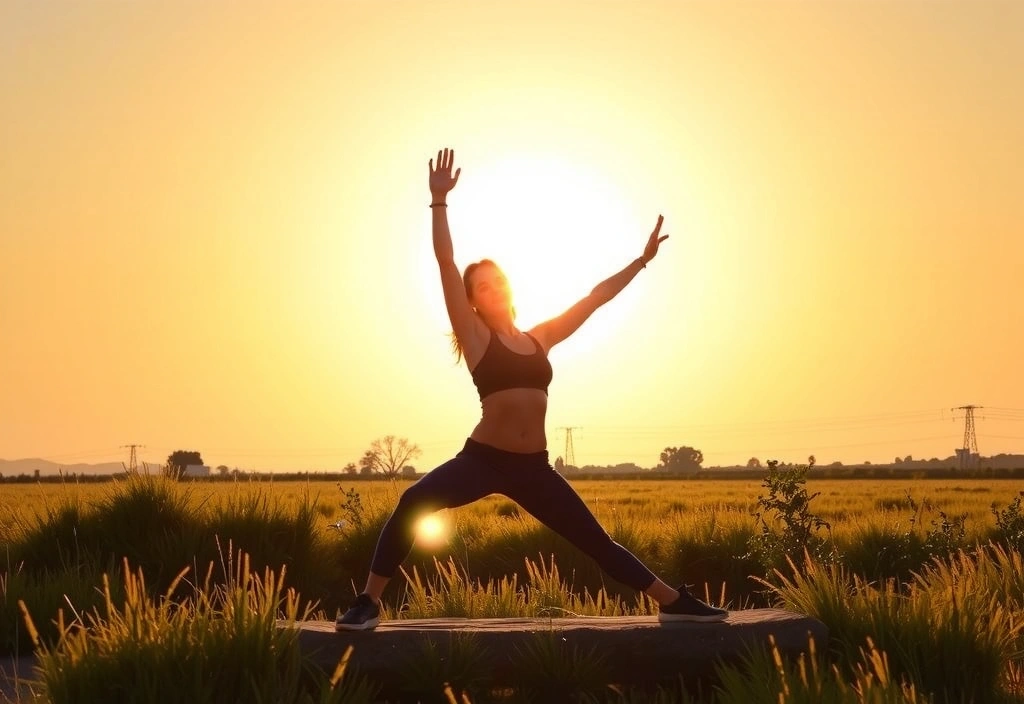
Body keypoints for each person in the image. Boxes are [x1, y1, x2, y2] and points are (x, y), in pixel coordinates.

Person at [336, 147, 728, 631]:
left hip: (534, 468)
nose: (492, 288)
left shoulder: (539, 338)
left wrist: (642, 260)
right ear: (472, 301)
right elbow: (445, 261)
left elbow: (594, 299)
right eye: (481, 286)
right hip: (482, 460)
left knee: (597, 543)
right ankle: (369, 602)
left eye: (497, 280)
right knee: (413, 500)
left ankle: (671, 600)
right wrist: (439, 202)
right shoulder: (477, 338)